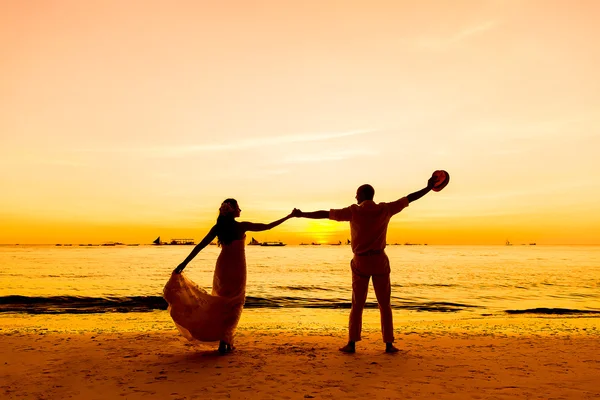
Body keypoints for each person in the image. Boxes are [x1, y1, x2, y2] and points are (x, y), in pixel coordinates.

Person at [293, 175, 438, 353]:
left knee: (357, 304)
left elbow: (325, 214)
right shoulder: (385, 209)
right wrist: (428, 187)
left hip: (361, 261)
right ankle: (389, 344)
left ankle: (352, 343)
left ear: (362, 195)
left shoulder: (354, 211)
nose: (355, 197)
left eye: (356, 194)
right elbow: (409, 198)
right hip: (379, 260)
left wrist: (301, 215)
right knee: (385, 304)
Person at [164, 198, 295, 354]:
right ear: (233, 210)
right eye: (239, 207)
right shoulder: (241, 226)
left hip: (223, 267)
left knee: (222, 301)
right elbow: (267, 227)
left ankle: (224, 340)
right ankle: (225, 340)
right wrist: (289, 216)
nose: (241, 210)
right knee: (235, 302)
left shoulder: (218, 227)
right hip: (238, 267)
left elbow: (200, 247)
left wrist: (183, 264)